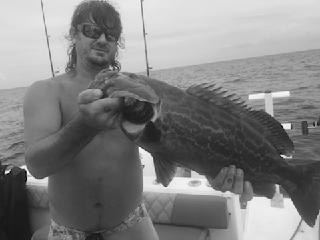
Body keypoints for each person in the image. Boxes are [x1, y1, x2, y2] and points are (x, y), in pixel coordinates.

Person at [23, 1, 253, 239]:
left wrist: (213, 173)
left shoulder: (139, 93)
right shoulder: (45, 92)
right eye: (92, 31)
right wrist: (85, 125)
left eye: (111, 35)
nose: (102, 39)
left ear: (117, 43)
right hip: (67, 231)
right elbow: (37, 167)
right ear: (73, 34)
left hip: (132, 225)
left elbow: (177, 143)